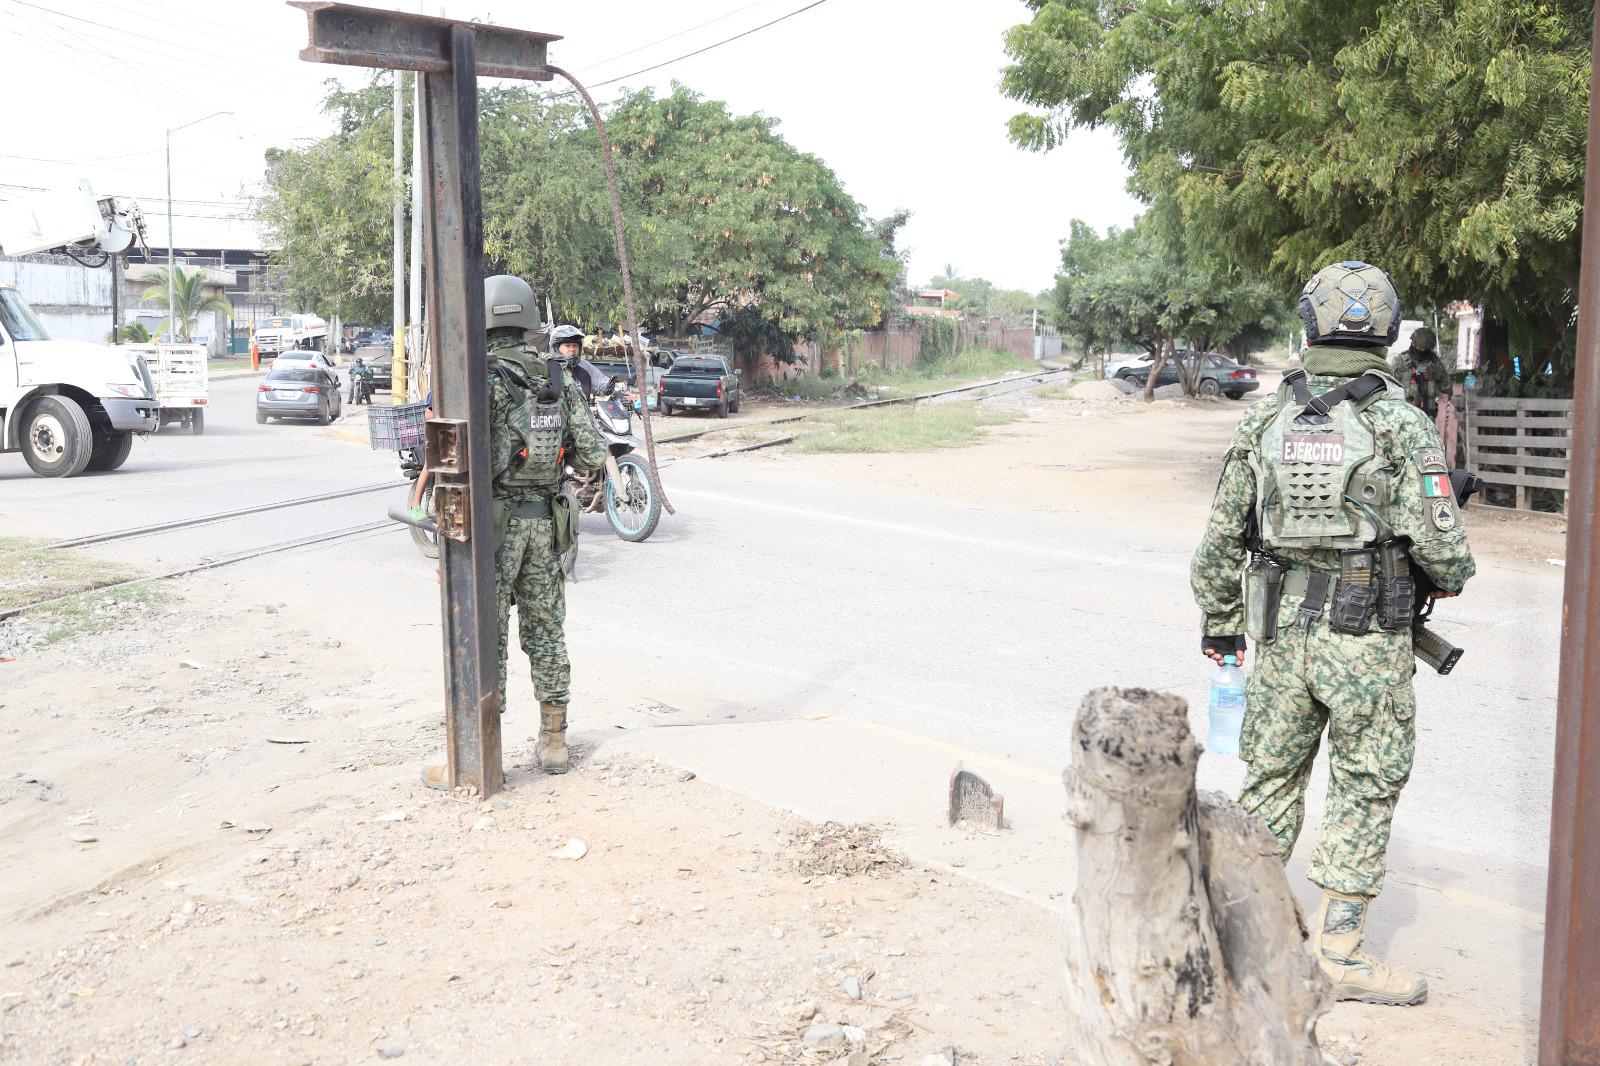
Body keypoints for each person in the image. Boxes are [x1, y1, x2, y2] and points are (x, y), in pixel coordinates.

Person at [1190, 261, 1476, 1007]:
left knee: (1270, 779)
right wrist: (1440, 568)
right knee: (1365, 783)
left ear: (1309, 326)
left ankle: (1235, 938)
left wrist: (1222, 630)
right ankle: (1341, 953)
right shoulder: (1400, 423)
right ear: (1387, 333)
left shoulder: (1263, 416)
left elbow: (1222, 541)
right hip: (1369, 639)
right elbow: (1447, 554)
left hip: (1281, 633)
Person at [422, 277, 605, 785]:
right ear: (526, 318)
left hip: (492, 529)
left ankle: (485, 752)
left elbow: (449, 460)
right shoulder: (557, 376)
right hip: (546, 526)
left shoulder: (474, 378)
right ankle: (554, 741)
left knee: (487, 636)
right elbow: (592, 455)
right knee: (546, 632)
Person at [1390, 327, 1459, 462]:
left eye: (1425, 349)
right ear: (1413, 344)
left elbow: (1448, 388)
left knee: (1425, 450)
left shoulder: (1435, 363)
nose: (1422, 352)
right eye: (1419, 348)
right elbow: (1390, 387)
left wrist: (1435, 375)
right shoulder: (1401, 362)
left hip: (1428, 416)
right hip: (1405, 415)